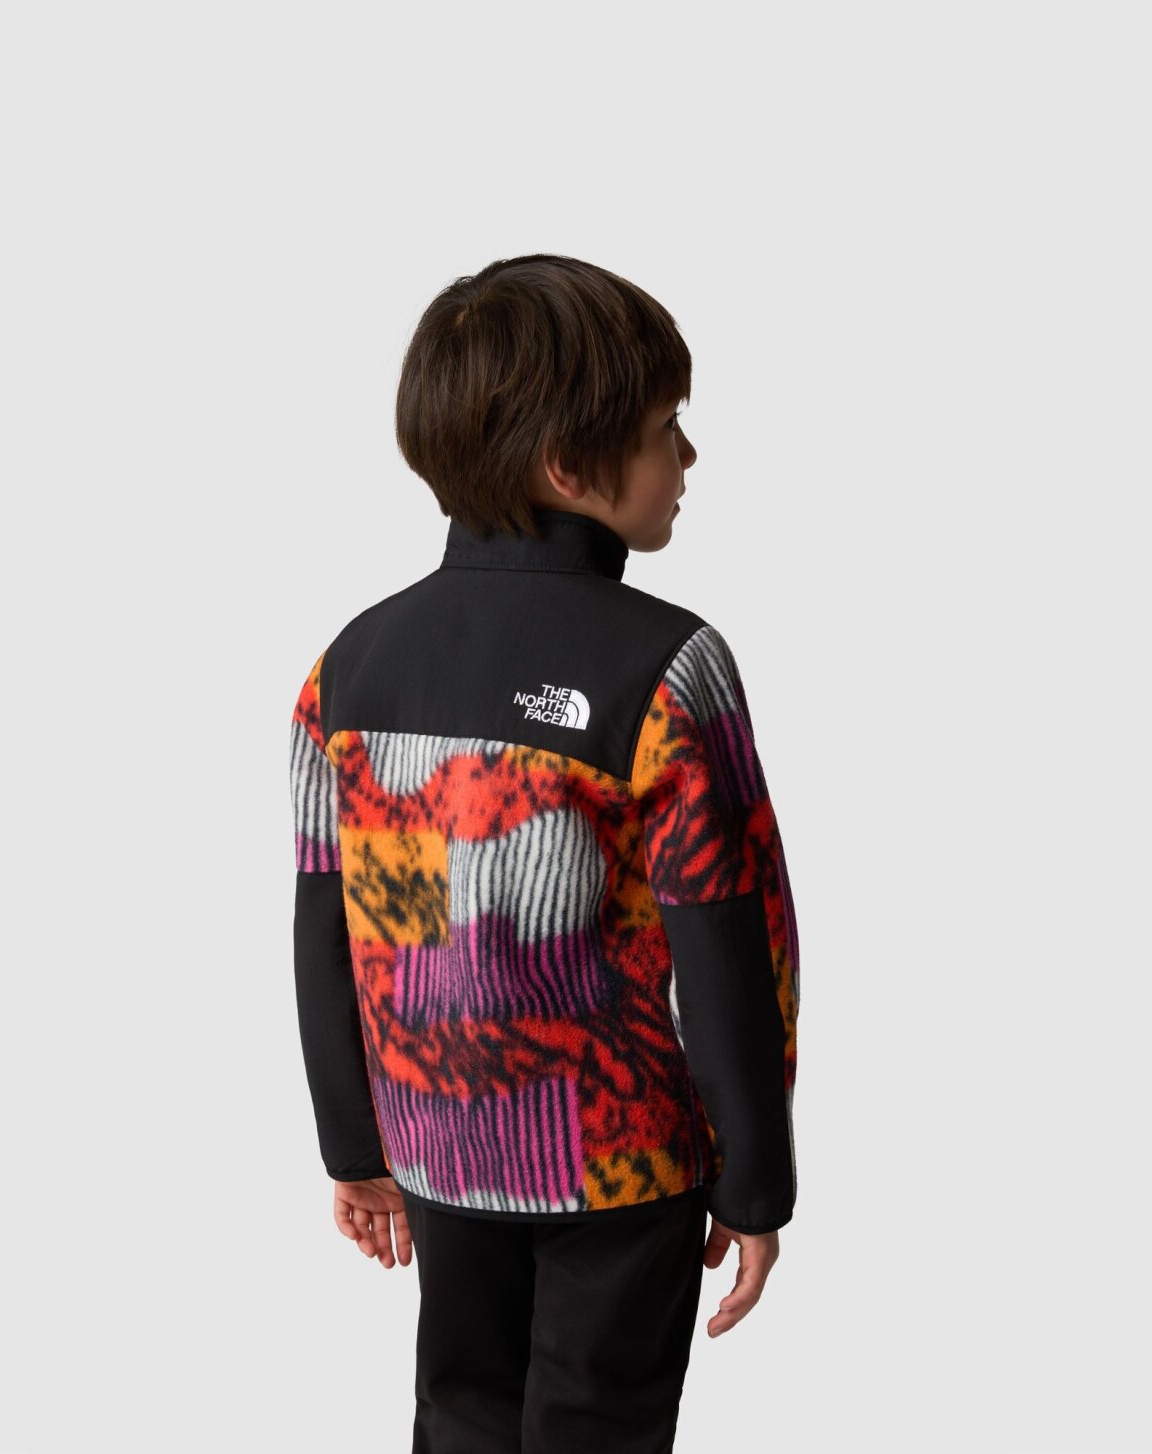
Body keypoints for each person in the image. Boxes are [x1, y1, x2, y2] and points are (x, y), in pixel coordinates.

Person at [289, 253, 800, 1454]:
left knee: (460, 1414)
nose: (688, 458)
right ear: (570, 464)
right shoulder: (669, 665)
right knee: (596, 1428)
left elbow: (326, 923)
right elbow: (731, 932)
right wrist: (752, 1179)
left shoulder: (347, 667)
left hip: (435, 1145)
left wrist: (353, 1145)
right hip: (617, 1161)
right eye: (667, 428)